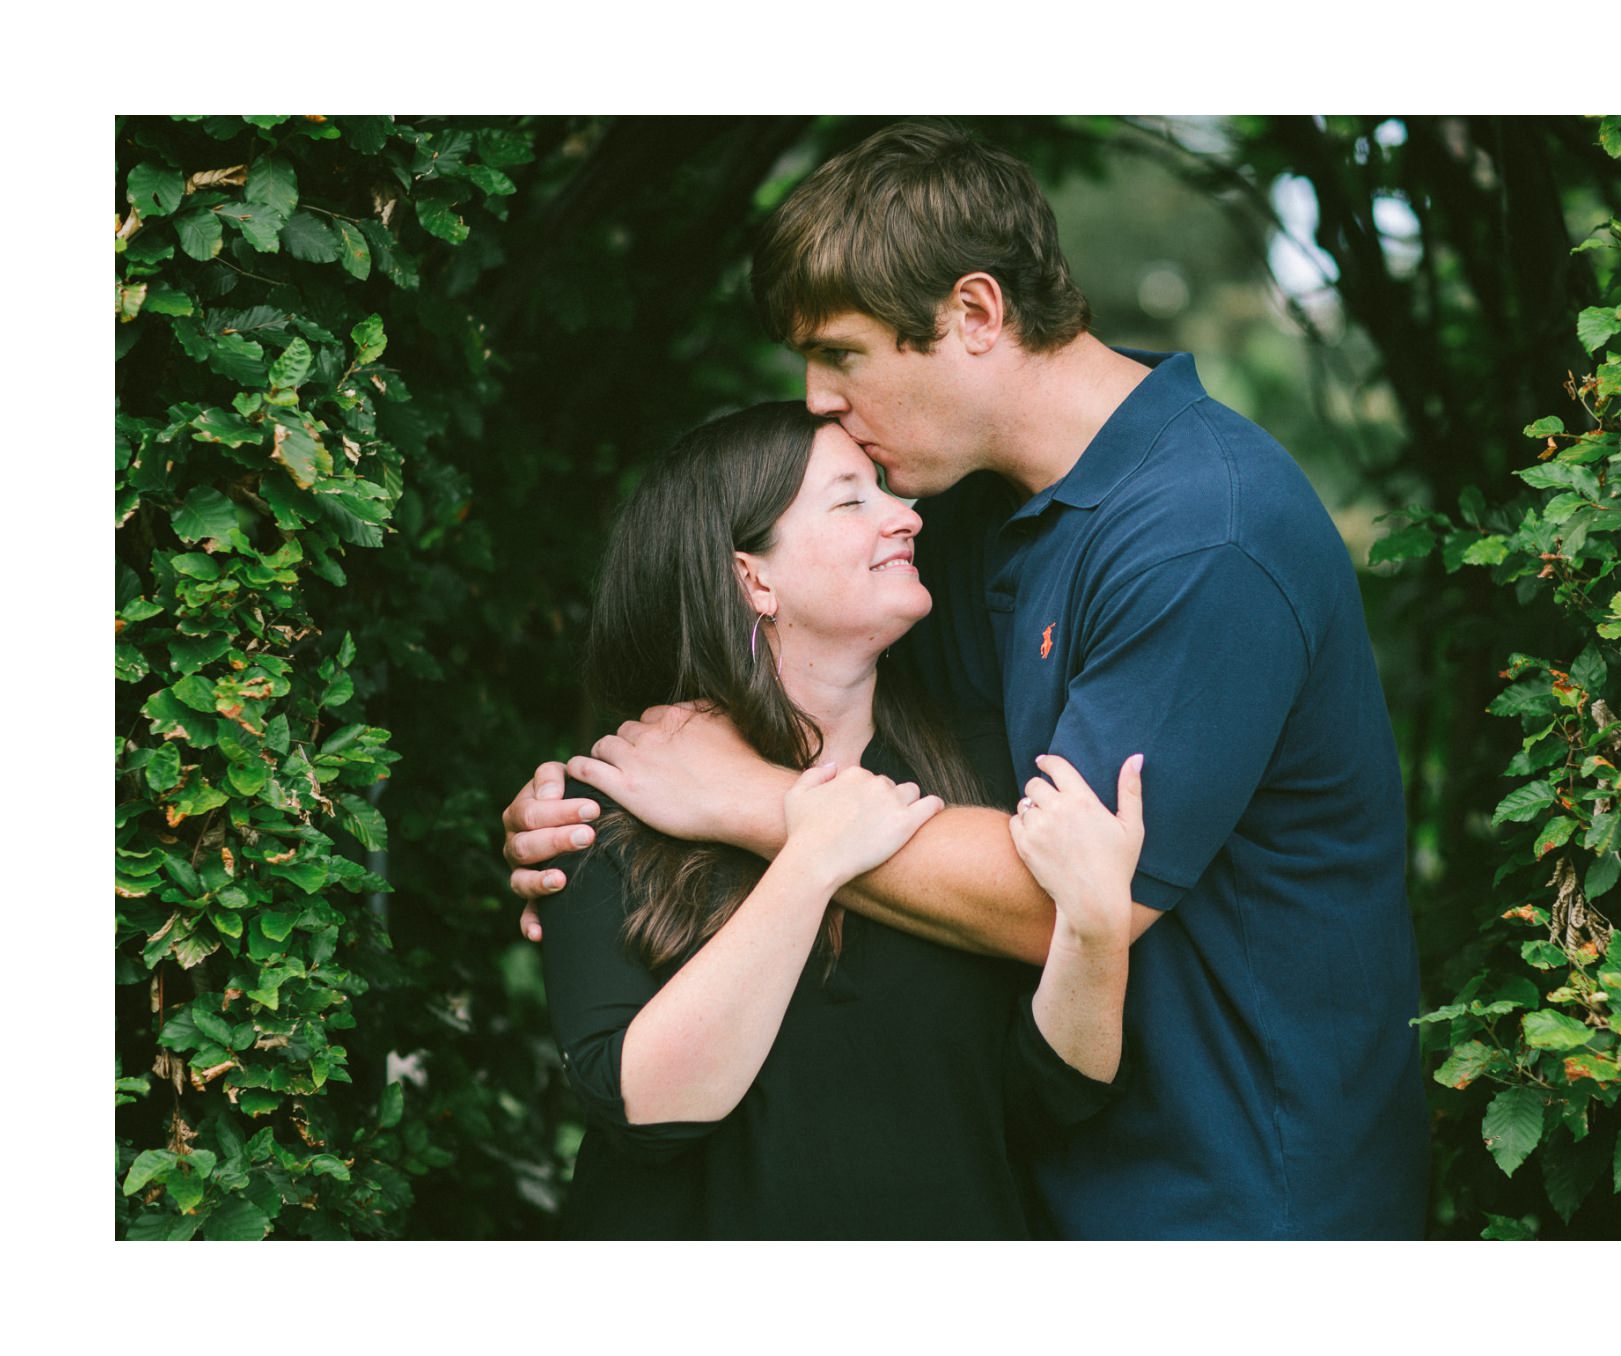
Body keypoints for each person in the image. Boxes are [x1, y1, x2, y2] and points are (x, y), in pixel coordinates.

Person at [506, 121, 1429, 1239]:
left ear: (976, 315)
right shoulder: (964, 517)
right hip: (1042, 1190)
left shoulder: (1202, 537)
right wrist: (598, 819)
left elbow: (1062, 900)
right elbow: (804, 699)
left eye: (842, 354)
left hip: (1231, 1192)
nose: (817, 399)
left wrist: (739, 801)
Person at [541, 400, 1143, 1239]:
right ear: (754, 577)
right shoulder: (623, 803)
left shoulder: (986, 767)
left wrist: (1096, 932)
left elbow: (1051, 1095)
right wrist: (810, 853)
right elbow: (647, 1109)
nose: (907, 517)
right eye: (852, 499)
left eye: (888, 491)